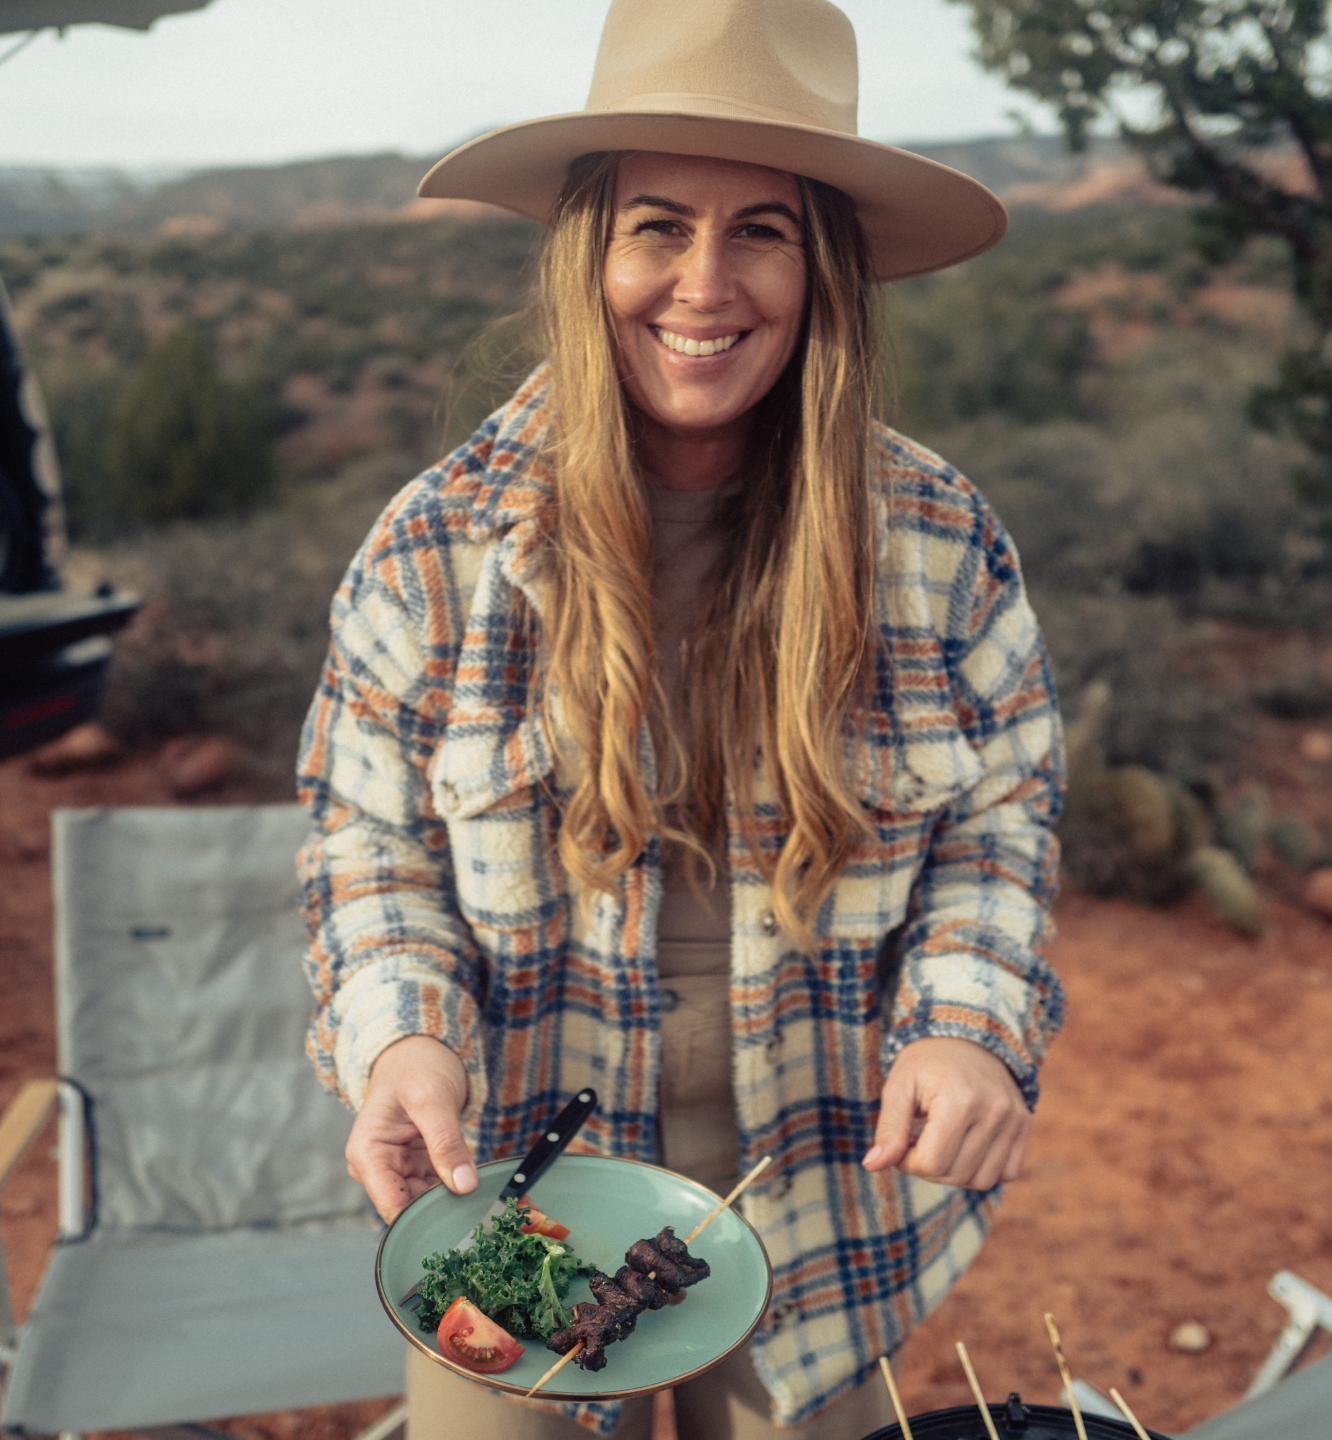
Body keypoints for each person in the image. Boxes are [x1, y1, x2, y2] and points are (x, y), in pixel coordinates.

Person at [297, 1, 1065, 1436]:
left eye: (761, 229)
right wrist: (402, 1040)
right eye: (659, 224)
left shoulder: (942, 543)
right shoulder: (435, 550)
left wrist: (969, 1024)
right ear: (591, 249)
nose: (704, 282)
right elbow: (368, 850)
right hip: (515, 1208)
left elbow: (1001, 826)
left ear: (822, 262)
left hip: (826, 1212)